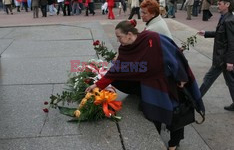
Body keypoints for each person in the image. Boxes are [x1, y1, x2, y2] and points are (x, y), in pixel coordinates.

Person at [86, 20, 205, 150]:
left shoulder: (152, 38)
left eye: (119, 36)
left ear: (129, 34)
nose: (118, 40)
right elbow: (117, 70)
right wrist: (98, 85)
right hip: (149, 84)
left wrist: (182, 76)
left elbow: (174, 55)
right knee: (154, 112)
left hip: (167, 81)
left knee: (175, 111)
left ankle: (174, 143)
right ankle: (155, 140)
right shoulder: (125, 48)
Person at [198, 0, 234, 111]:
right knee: (231, 82)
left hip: (222, 59)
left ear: (227, 5)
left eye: (219, 4)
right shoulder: (224, 18)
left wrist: (230, 61)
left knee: (208, 78)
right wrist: (206, 33)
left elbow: (232, 43)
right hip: (221, 57)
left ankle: (194, 100)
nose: (217, 6)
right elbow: (220, 34)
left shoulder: (229, 20)